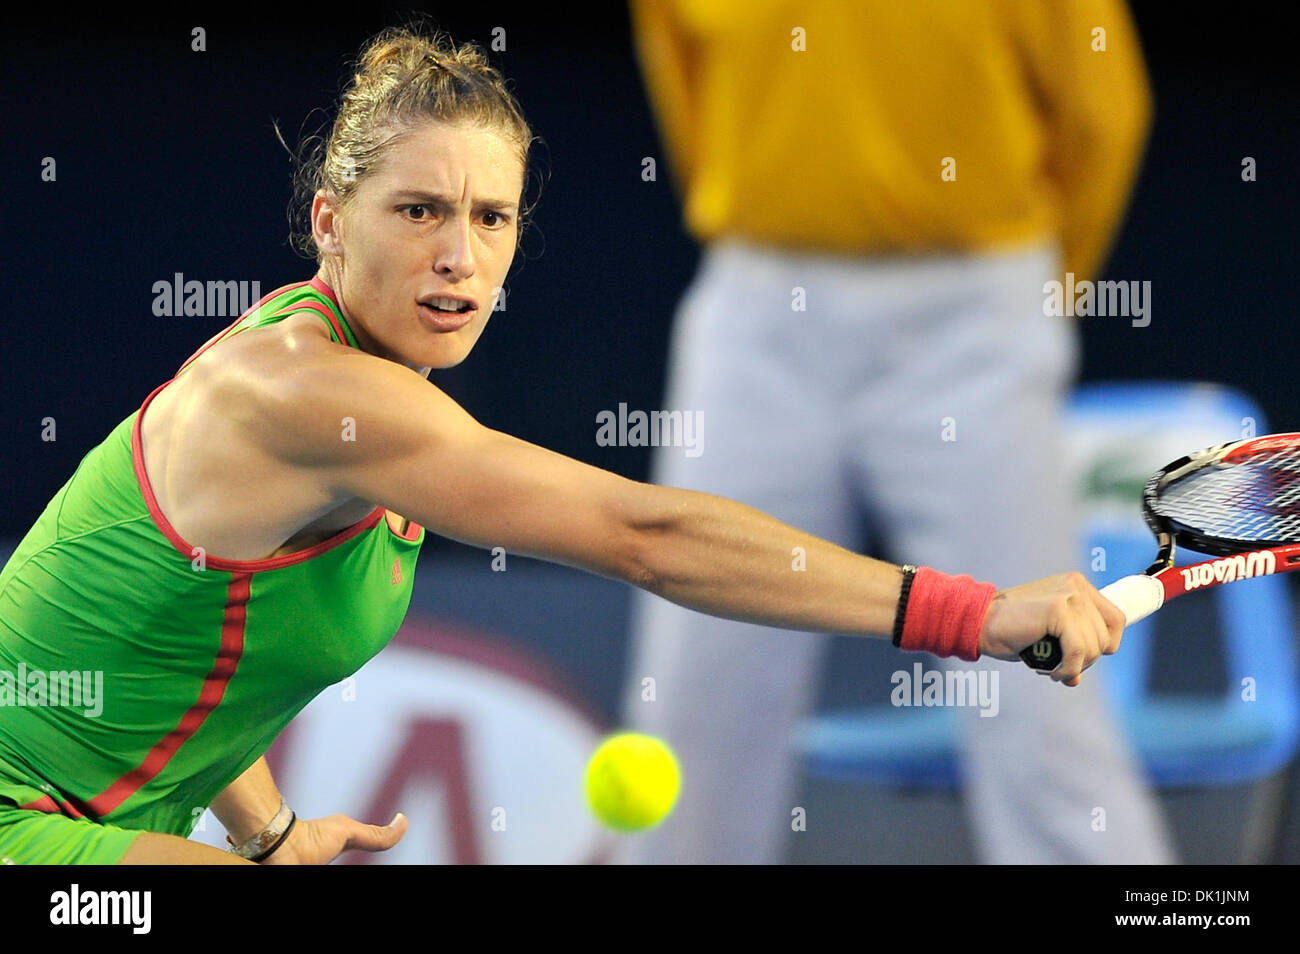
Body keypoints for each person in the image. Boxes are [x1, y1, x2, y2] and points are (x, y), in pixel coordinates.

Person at [0, 27, 1124, 866]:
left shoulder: (353, 392)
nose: (459, 256)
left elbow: (170, 643)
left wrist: (268, 828)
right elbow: (646, 537)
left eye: (490, 218)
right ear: (329, 222)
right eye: (418, 211)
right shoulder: (310, 399)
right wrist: (971, 615)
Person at [618, 0, 1175, 864]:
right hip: (757, 311)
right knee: (694, 705)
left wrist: (1025, 297)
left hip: (974, 312)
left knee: (1044, 690)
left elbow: (1104, 112)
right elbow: (686, 80)